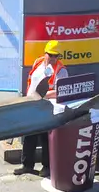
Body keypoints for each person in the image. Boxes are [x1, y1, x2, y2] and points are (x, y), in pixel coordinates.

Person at [21, 40, 68, 172]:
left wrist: (42, 95)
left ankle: (47, 167)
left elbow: (61, 91)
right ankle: (27, 165)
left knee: (45, 138)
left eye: (56, 56)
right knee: (29, 136)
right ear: (45, 53)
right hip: (31, 104)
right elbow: (31, 82)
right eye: (50, 55)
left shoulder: (61, 71)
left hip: (46, 107)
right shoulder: (38, 63)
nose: (53, 58)